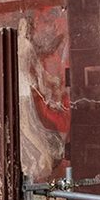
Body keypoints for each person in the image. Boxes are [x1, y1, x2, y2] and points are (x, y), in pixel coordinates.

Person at [17, 16, 66, 180]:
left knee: (26, 126)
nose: (23, 29)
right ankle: (40, 157)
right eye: (21, 26)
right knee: (23, 126)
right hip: (18, 84)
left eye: (25, 27)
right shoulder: (18, 43)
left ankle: (45, 155)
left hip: (22, 86)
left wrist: (46, 85)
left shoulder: (26, 45)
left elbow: (38, 68)